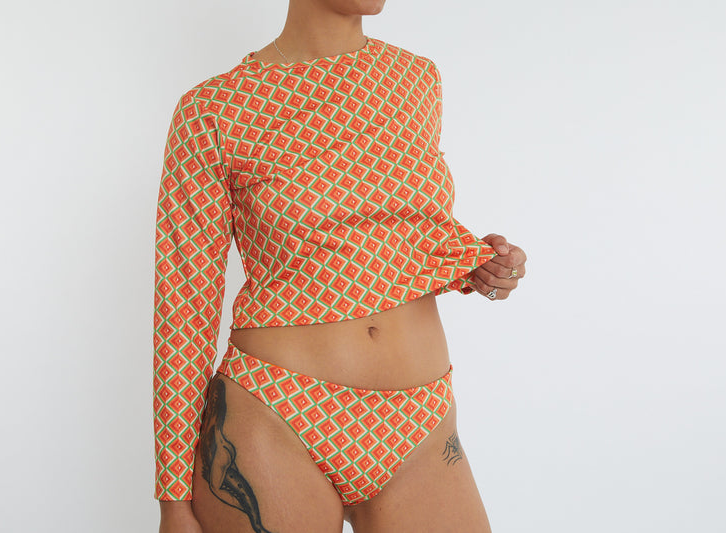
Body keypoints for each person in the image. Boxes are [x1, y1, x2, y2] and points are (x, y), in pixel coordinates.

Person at [153, 1, 527, 531]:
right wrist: (173, 500)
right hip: (276, 415)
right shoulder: (214, 109)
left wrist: (477, 265)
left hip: (422, 421)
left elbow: (397, 229)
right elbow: (183, 307)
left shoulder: (415, 78)